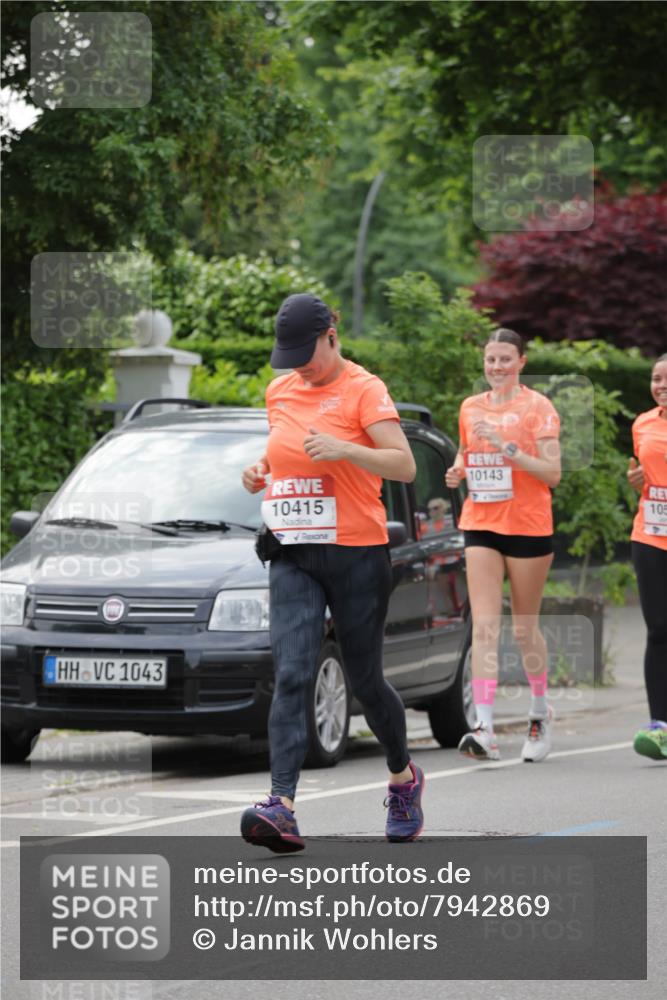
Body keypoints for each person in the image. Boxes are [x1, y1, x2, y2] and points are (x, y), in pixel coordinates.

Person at [239, 293, 424, 852]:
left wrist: (346, 447)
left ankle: (402, 777)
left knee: (365, 682)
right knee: (293, 671)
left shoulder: (364, 390)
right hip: (294, 550)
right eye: (289, 354)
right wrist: (260, 470)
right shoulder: (280, 390)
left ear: (332, 335)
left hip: (356, 553)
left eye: (307, 352)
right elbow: (284, 455)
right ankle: (282, 805)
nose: (299, 364)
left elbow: (404, 464)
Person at [445, 328, 561, 762]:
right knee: (485, 626)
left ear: (522, 362)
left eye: (505, 360)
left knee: (524, 628)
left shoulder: (538, 408)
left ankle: (538, 714)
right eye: (491, 360)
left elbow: (552, 473)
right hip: (481, 522)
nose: (496, 367)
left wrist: (507, 447)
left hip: (528, 527)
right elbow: (464, 451)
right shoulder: (470, 406)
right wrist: (458, 469)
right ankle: (485, 727)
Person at [626, 352, 667, 761]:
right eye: (657, 378)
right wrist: (636, 480)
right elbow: (643, 475)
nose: (661, 385)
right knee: (658, 628)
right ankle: (659, 726)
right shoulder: (643, 423)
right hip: (651, 534)